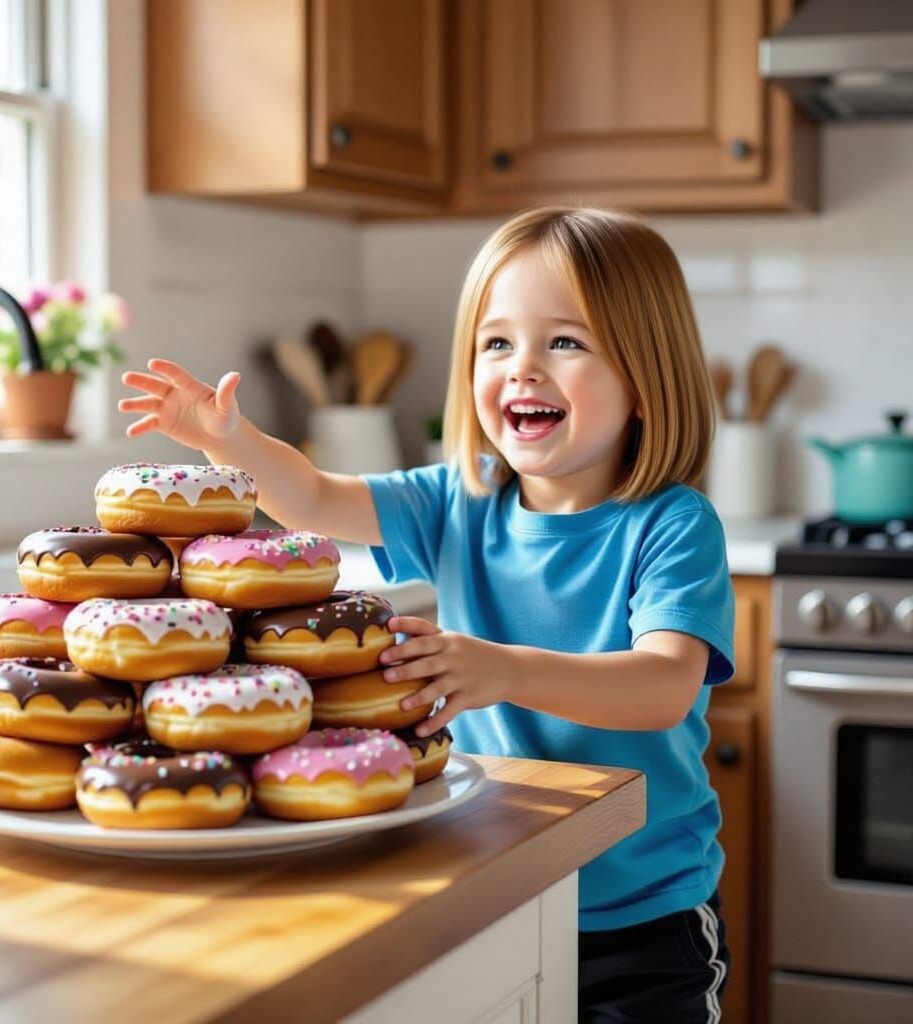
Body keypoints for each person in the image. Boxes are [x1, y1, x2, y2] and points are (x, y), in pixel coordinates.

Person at [119, 206, 734, 1023]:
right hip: (498, 886)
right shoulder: (461, 499)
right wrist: (230, 443)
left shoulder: (671, 523)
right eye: (497, 342)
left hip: (642, 921)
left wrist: (503, 669)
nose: (523, 369)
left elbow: (663, 687)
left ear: (646, 379)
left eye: (565, 342)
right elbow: (313, 497)